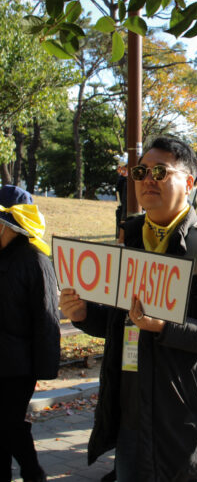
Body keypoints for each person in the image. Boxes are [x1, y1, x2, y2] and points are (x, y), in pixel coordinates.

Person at [59, 136, 197, 482]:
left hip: (188, 429)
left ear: (189, 183)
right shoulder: (129, 241)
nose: (148, 179)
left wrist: (165, 325)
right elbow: (123, 321)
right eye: (141, 171)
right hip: (133, 420)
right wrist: (83, 315)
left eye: (160, 171)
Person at [0, 185, 60, 482]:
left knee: (8, 422)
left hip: (18, 365)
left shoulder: (35, 260)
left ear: (7, 224)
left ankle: (33, 473)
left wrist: (45, 367)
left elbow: (47, 317)